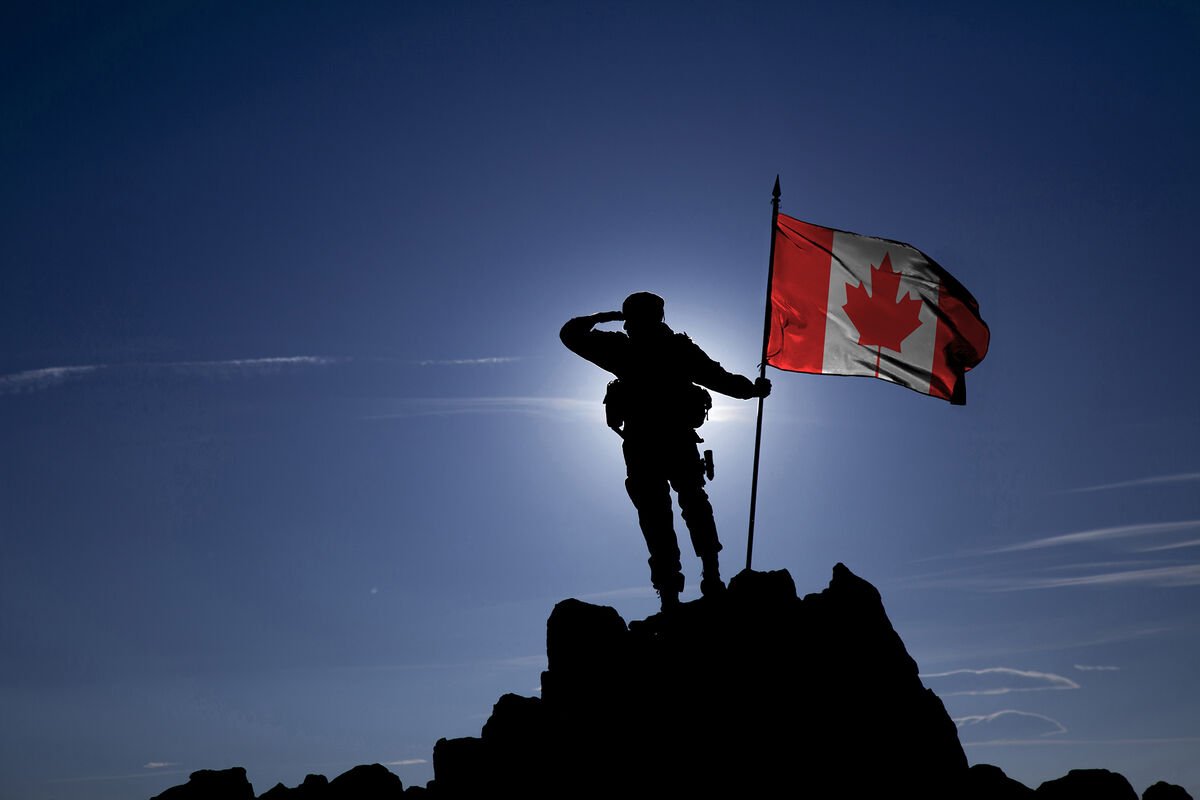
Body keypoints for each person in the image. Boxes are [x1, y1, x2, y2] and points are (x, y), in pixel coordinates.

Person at [560, 292, 770, 610]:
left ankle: (696, 583)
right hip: (655, 443)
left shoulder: (648, 348)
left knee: (676, 510)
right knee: (670, 512)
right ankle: (683, 587)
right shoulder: (635, 348)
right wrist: (750, 390)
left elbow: (718, 378)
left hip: (663, 441)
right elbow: (571, 335)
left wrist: (751, 390)